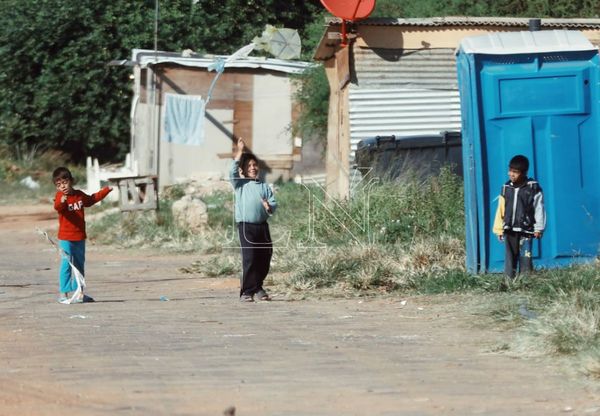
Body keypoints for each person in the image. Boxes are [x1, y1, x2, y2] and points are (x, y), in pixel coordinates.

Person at [52, 167, 112, 303]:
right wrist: (62, 200)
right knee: (66, 264)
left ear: (71, 181)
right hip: (66, 238)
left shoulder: (79, 195)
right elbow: (58, 207)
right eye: (59, 184)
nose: (63, 186)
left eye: (65, 182)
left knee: (79, 265)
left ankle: (80, 293)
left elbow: (91, 200)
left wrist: (106, 190)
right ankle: (64, 294)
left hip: (79, 237)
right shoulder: (60, 197)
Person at [230, 138, 277, 302]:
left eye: (254, 165)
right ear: (242, 169)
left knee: (264, 257)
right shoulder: (240, 185)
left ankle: (258, 287)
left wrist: (268, 207)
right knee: (250, 257)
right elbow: (232, 172)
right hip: (246, 226)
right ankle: (247, 292)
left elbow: (273, 203)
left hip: (262, 227)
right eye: (248, 166)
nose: (252, 168)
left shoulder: (264, 186)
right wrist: (239, 152)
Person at [493, 155, 546, 278]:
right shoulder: (506, 188)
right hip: (509, 229)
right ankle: (508, 281)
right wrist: (498, 229)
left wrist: (539, 228)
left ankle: (525, 280)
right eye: (510, 171)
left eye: (515, 172)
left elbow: (539, 208)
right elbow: (500, 210)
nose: (511, 174)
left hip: (526, 230)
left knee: (525, 257)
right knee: (510, 257)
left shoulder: (533, 188)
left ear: (524, 173)